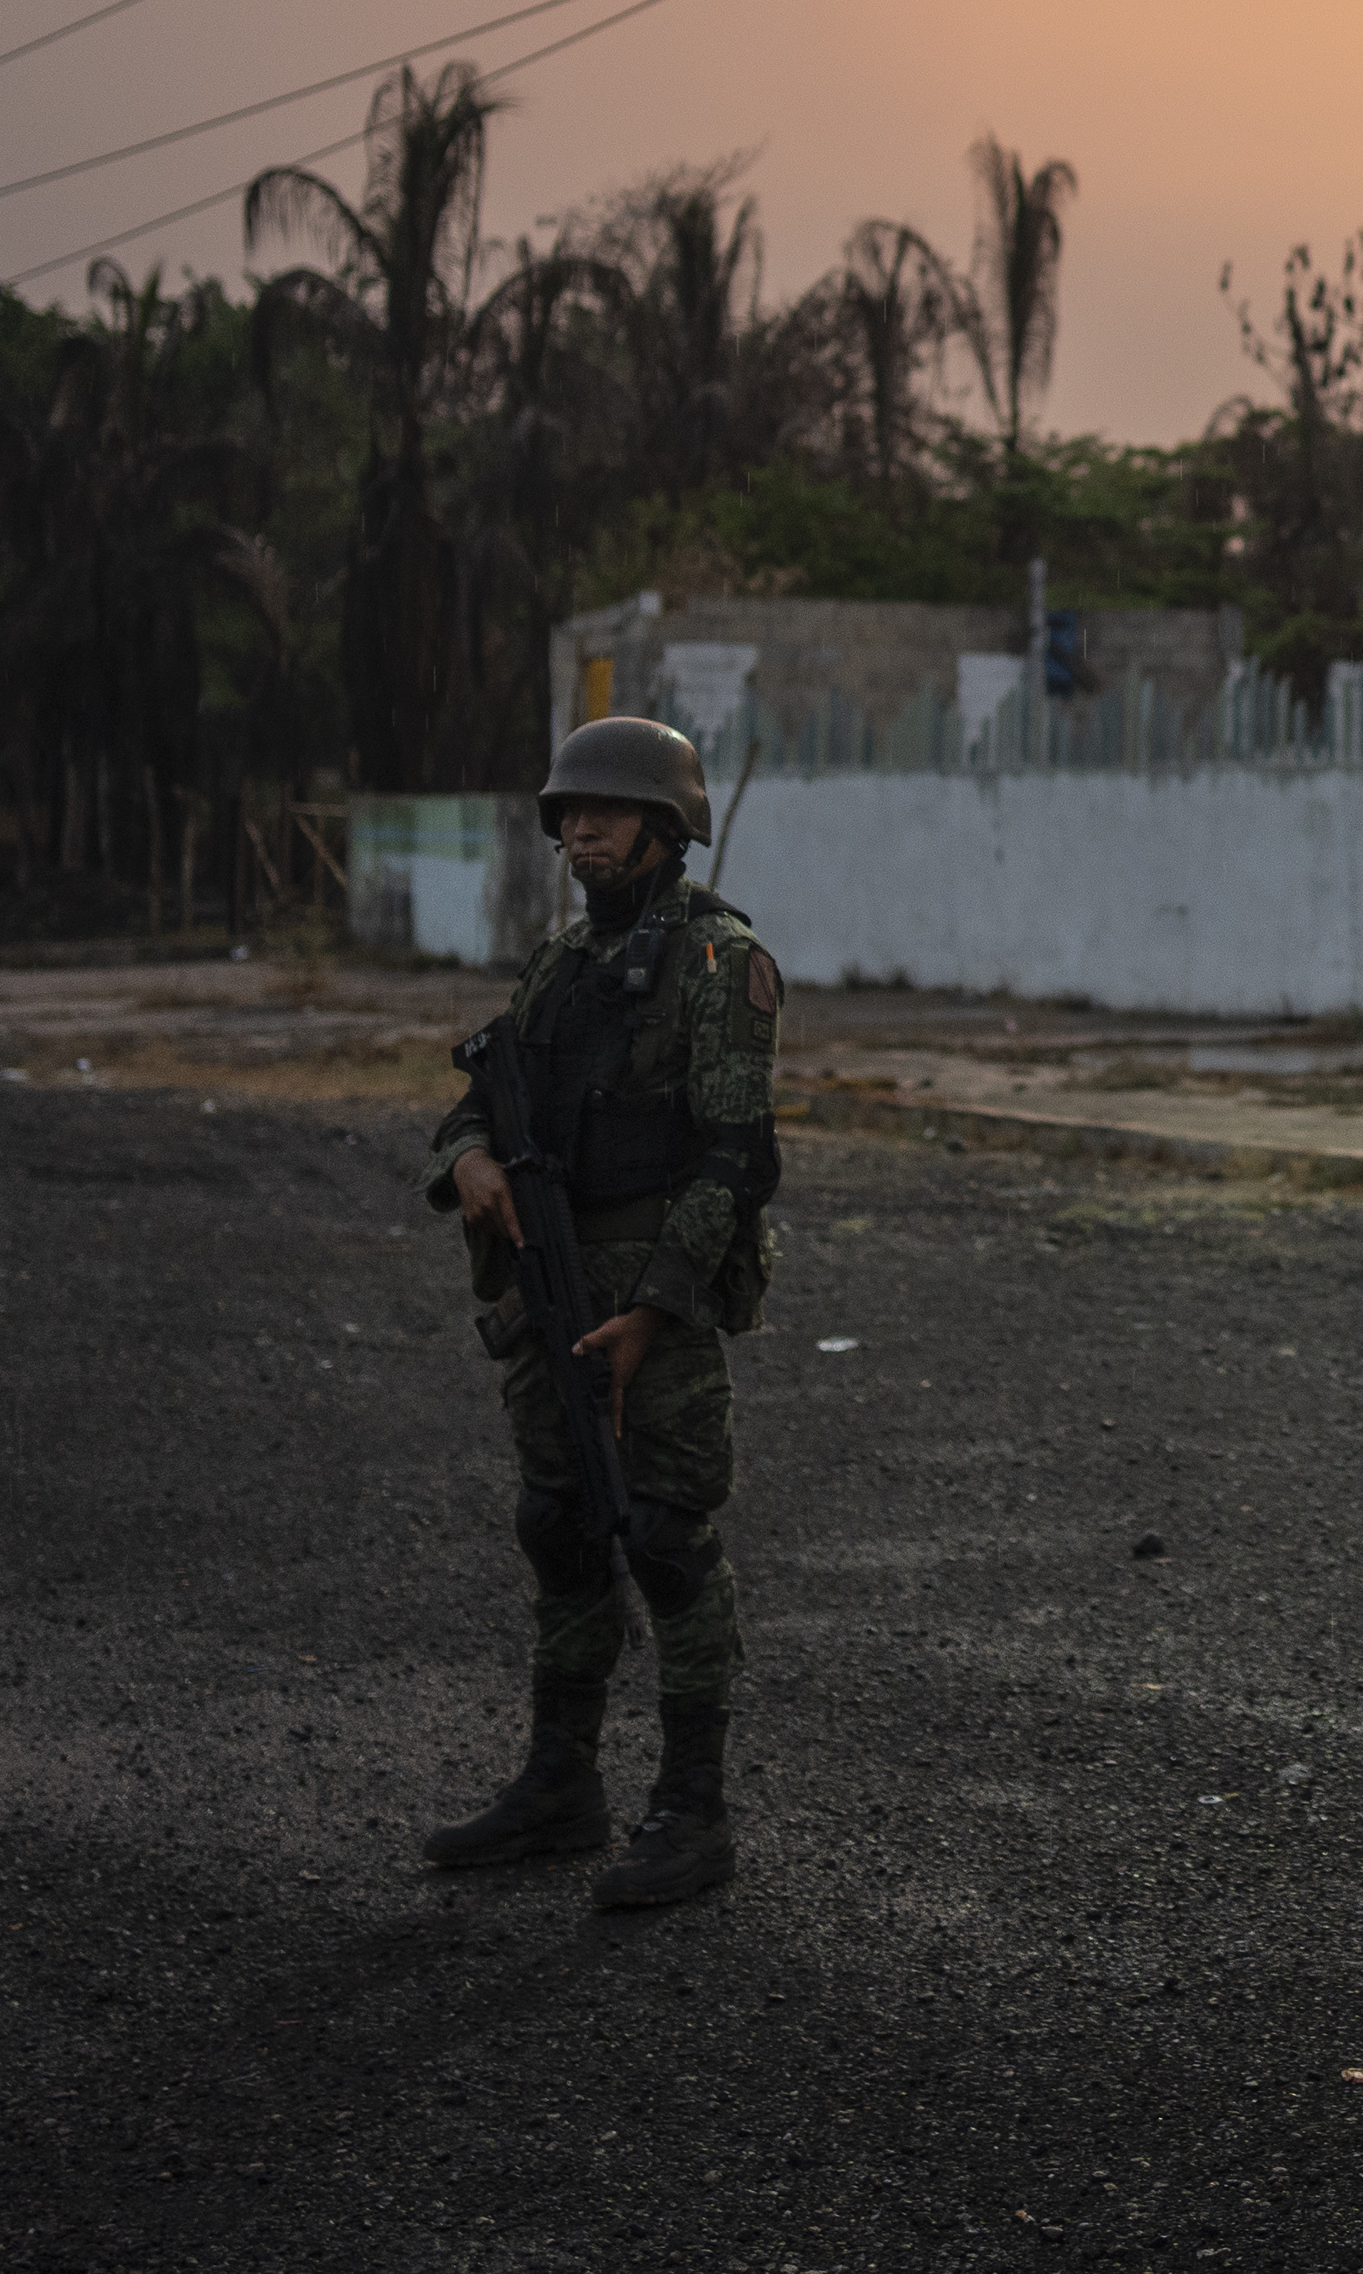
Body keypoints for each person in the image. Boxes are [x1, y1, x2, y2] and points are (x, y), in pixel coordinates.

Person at [411, 714, 783, 1909]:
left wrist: (655, 1314)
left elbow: (734, 1161)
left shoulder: (717, 961)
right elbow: (480, 1099)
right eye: (567, 814)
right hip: (551, 1287)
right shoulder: (559, 965)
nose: (580, 830)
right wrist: (463, 1162)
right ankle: (562, 1783)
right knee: (558, 1528)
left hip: (649, 1300)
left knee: (666, 1539)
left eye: (606, 812)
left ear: (667, 827)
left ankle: (693, 1812)